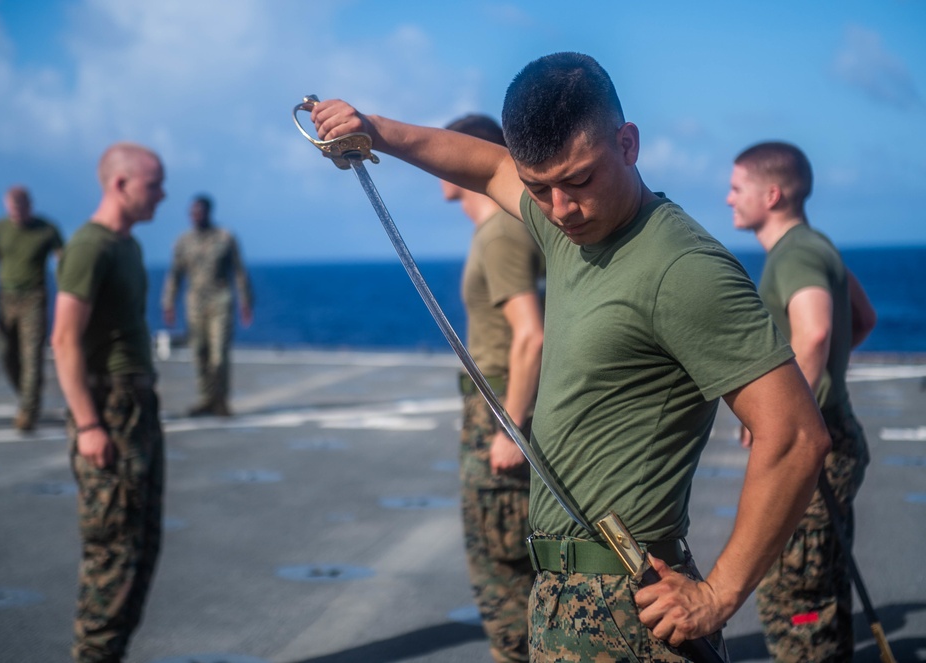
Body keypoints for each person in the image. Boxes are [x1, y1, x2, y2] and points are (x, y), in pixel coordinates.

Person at [311, 52, 831, 661]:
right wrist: (372, 127)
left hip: (630, 608)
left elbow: (795, 436)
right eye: (539, 187)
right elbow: (484, 167)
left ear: (628, 143)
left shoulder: (683, 269)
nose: (560, 208)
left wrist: (718, 595)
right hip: (563, 596)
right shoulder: (566, 223)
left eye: (580, 180)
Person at [728, 141, 876, 662]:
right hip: (836, 435)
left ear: (771, 194)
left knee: (797, 605)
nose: (727, 199)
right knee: (821, 596)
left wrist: (785, 411)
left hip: (816, 453)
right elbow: (862, 319)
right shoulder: (818, 246)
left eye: (736, 187)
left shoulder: (795, 252)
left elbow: (813, 334)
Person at [51, 142, 166, 662]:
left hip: (139, 410)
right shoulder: (89, 246)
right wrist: (89, 425)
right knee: (113, 555)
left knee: (140, 550)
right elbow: (63, 339)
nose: (162, 195)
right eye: (153, 184)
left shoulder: (129, 247)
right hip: (110, 412)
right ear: (120, 184)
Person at [443, 114, 544, 663]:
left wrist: (511, 426)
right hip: (496, 401)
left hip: (501, 407)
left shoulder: (502, 231)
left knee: (503, 572)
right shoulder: (501, 226)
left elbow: (531, 335)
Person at [0, 186, 64, 431]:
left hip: (34, 297)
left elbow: (62, 262)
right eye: (11, 209)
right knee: (6, 353)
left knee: (31, 356)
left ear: (29, 206)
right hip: (6, 297)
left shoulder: (46, 229)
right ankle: (27, 393)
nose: (16, 213)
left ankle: (28, 410)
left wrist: (67, 296)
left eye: (20, 208)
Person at [161, 194, 253, 417]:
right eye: (193, 212)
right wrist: (168, 303)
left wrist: (246, 301)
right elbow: (175, 274)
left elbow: (239, 272)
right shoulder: (183, 242)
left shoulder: (225, 238)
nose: (196, 216)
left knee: (219, 354)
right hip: (194, 303)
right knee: (199, 352)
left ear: (208, 213)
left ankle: (221, 400)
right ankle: (206, 399)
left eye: (199, 212)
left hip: (220, 300)